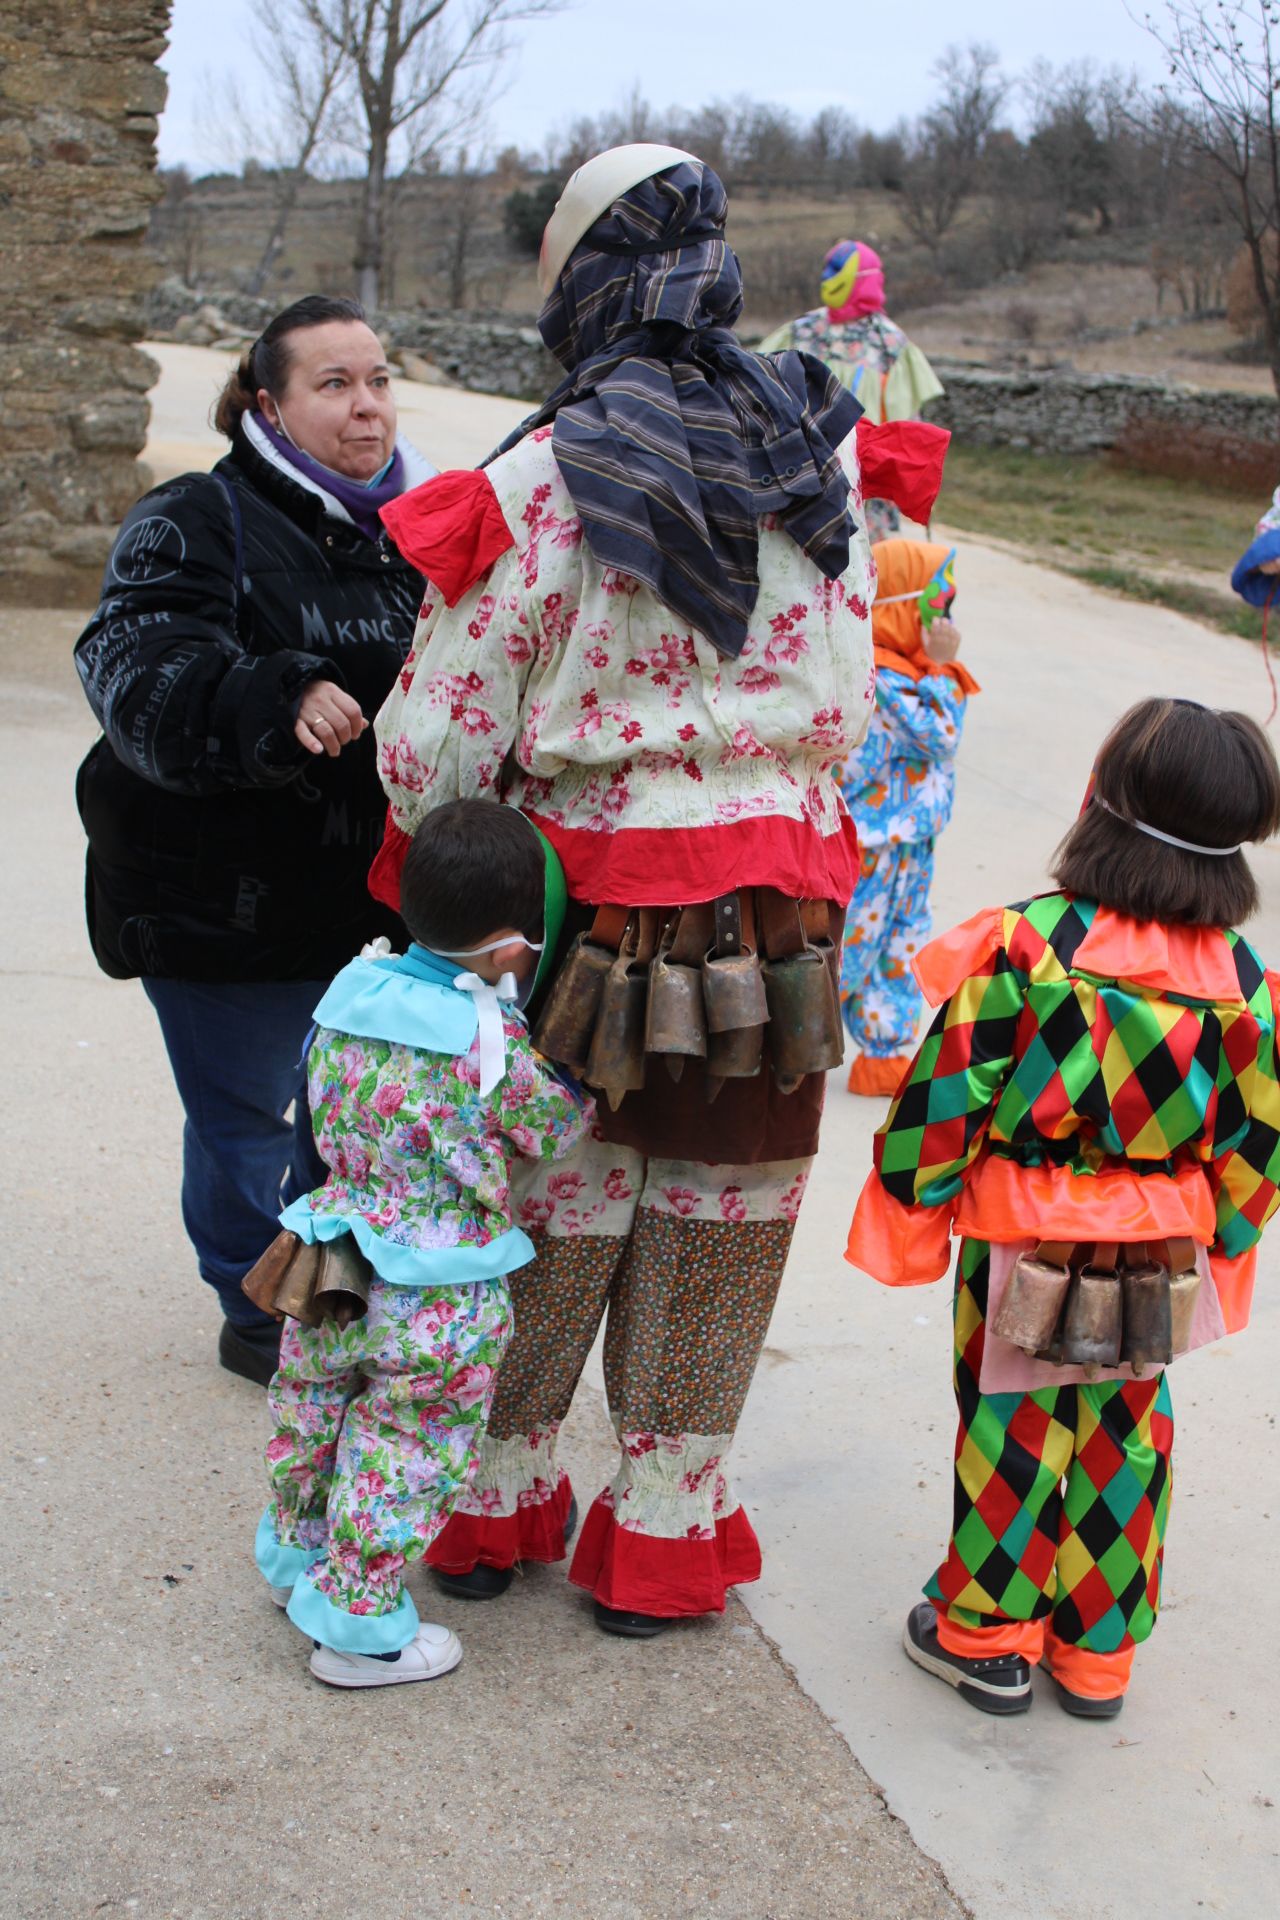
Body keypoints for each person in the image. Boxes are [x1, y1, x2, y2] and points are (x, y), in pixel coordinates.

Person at [371, 145, 948, 1637]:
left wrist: (459, 846)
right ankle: (664, 1531)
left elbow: (434, 745)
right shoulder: (808, 452)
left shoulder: (542, 475)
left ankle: (490, 1507)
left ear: (578, 281)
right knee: (720, 1212)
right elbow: (852, 700)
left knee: (548, 1202)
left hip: (577, 917)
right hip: (779, 919)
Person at [846, 697, 1280, 1718]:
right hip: (1155, 1249)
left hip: (1022, 1237)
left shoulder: (1026, 947)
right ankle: (1095, 1658)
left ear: (1103, 802)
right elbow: (1256, 1143)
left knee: (1009, 1426)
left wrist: (910, 1210)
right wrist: (1220, 1242)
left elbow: (943, 1097)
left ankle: (987, 1638)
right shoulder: (1247, 986)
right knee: (1126, 1431)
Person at [73, 294, 433, 1387]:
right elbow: (132, 669)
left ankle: (336, 1277)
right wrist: (271, 695)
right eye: (333, 385)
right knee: (247, 1119)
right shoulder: (196, 517)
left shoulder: (421, 524)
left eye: (375, 380)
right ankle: (251, 1294)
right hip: (223, 899)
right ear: (267, 402)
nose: (365, 407)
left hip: (371, 903)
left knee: (350, 1120)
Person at [254, 801, 593, 1688]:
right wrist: (580, 1086)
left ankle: (299, 1563)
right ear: (508, 946)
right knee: (408, 1442)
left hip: (333, 1256)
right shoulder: (489, 1040)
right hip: (437, 1291)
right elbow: (549, 1129)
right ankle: (358, 1631)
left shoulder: (349, 991)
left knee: (315, 1411)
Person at [839, 540, 979, 1096]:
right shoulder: (881, 677)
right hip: (871, 846)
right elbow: (939, 735)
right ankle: (791, 1041)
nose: (946, 623)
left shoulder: (911, 672)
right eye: (937, 608)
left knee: (902, 944)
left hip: (911, 844)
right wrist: (942, 671)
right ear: (901, 607)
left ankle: (885, 1053)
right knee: (850, 946)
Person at [759, 240, 944, 542]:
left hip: (864, 480)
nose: (826, 276)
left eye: (835, 269)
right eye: (826, 268)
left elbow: (907, 422)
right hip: (800, 474)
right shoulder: (801, 331)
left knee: (862, 568)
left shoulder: (890, 344)